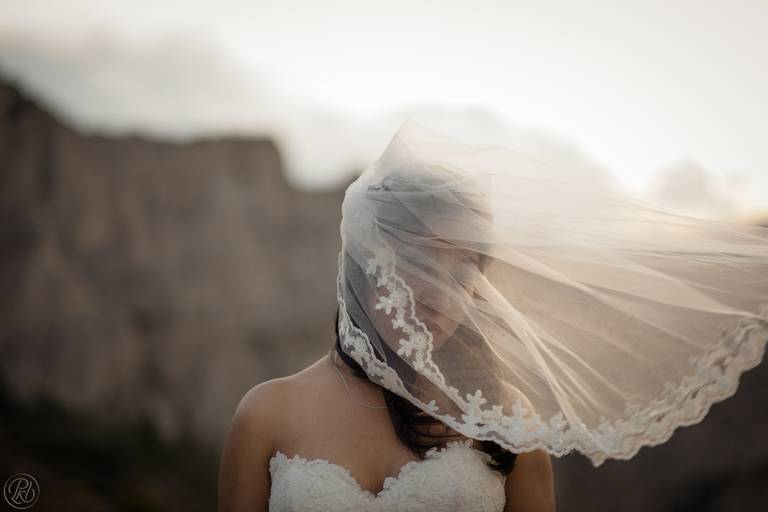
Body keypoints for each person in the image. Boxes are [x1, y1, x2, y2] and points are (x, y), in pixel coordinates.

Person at [219, 120, 768, 511]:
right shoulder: (268, 413)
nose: (444, 293)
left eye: (464, 269)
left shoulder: (505, 418)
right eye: (421, 261)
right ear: (367, 265)